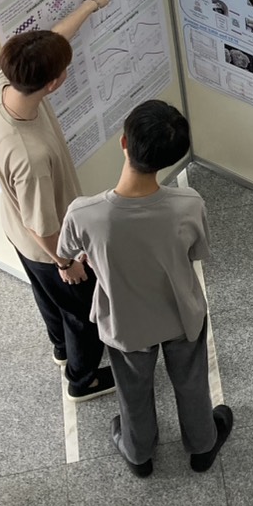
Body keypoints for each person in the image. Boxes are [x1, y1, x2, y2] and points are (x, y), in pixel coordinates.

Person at [58, 100, 233, 477]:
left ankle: (138, 453)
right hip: (181, 315)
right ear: (171, 158)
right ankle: (202, 445)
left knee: (132, 390)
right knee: (191, 383)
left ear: (124, 142)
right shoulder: (189, 204)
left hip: (126, 323)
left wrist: (80, 260)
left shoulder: (84, 213)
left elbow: (65, 253)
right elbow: (197, 251)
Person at [0, 0, 116, 401]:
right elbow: (42, 225)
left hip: (16, 231)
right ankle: (82, 379)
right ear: (53, 84)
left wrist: (91, 4)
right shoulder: (30, 156)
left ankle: (60, 349)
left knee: (48, 300)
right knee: (81, 313)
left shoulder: (2, 85)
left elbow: (53, 40)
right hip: (47, 246)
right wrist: (67, 262)